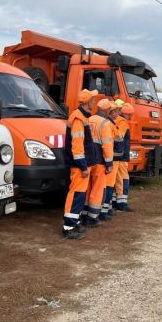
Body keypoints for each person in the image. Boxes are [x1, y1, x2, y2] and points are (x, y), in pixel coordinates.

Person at [63, 89, 98, 238]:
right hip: (79, 166)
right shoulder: (78, 118)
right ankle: (68, 227)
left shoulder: (82, 117)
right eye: (93, 99)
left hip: (81, 165)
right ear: (87, 102)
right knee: (76, 194)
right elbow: (77, 146)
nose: (94, 102)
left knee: (79, 194)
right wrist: (83, 166)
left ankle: (74, 222)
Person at [91, 99, 118, 221]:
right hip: (100, 160)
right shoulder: (105, 123)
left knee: (87, 189)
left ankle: (85, 213)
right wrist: (109, 163)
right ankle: (93, 216)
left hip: (88, 160)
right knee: (98, 189)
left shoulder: (89, 119)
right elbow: (107, 146)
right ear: (106, 110)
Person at [113, 102, 134, 212]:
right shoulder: (123, 123)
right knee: (123, 179)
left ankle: (114, 202)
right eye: (131, 114)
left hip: (117, 156)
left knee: (115, 180)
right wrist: (121, 154)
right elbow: (119, 139)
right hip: (121, 157)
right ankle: (121, 203)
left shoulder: (116, 120)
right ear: (128, 114)